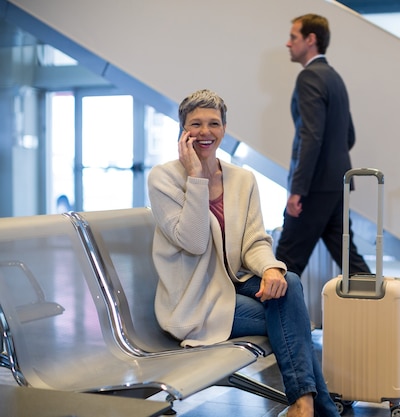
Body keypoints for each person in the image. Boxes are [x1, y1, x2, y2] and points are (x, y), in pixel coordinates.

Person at [147, 89, 339, 417]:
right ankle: (311, 406)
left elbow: (254, 241)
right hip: (195, 302)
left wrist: (269, 270)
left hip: (234, 282)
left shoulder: (242, 179)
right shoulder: (164, 178)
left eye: (214, 123)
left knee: (287, 282)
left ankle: (304, 405)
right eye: (196, 124)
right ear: (183, 131)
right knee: (291, 317)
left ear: (224, 128)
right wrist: (196, 177)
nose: (205, 132)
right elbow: (193, 242)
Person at [275, 13, 370, 278]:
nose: (288, 43)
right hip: (337, 183)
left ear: (311, 40)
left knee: (284, 264)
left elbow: (311, 136)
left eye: (293, 37)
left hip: (314, 188)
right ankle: (383, 315)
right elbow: (348, 136)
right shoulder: (333, 77)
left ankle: (274, 321)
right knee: (349, 259)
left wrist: (297, 189)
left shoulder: (309, 78)